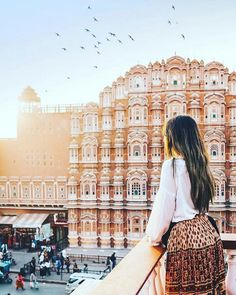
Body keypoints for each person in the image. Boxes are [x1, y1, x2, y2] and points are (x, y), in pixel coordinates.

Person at [146, 115, 226, 294]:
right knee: (206, 288)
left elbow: (164, 206)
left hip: (185, 239)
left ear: (174, 138)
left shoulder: (172, 166)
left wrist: (154, 236)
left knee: (185, 288)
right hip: (207, 234)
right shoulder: (201, 164)